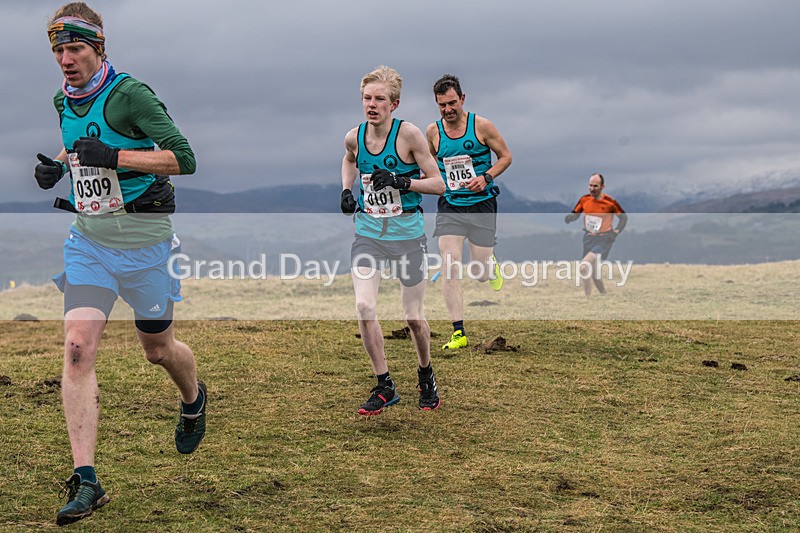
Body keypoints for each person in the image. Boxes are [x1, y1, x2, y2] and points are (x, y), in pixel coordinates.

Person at [34, 3, 204, 525]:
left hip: (146, 241)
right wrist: (56, 165)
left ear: (99, 48)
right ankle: (87, 479)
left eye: (76, 48)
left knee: (157, 349)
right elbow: (77, 146)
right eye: (59, 49)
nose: (66, 59)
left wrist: (116, 156)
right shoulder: (63, 99)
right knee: (78, 348)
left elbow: (185, 158)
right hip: (89, 242)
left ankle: (194, 397)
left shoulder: (131, 95)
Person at [341, 66, 445, 416]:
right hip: (368, 234)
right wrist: (345, 189)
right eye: (367, 98)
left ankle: (425, 373)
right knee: (364, 307)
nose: (372, 105)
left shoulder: (410, 136)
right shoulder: (354, 136)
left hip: (407, 238)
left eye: (380, 99)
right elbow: (349, 160)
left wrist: (403, 182)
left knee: (413, 317)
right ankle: (384, 384)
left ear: (394, 104)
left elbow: (439, 184)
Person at [426, 74, 512, 350]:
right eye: (442, 105)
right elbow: (426, 166)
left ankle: (490, 263)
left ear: (462, 99)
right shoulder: (433, 132)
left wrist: (485, 177)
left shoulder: (482, 126)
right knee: (450, 263)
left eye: (452, 103)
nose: (448, 110)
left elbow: (506, 157)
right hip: (451, 206)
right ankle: (458, 331)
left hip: (482, 205)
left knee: (479, 272)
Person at [564, 173, 627, 296]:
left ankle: (588, 299)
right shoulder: (584, 200)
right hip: (588, 238)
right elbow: (576, 213)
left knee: (583, 267)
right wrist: (570, 217)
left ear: (602, 187)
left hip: (604, 239)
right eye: (590, 186)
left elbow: (623, 218)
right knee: (594, 273)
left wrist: (616, 232)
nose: (592, 189)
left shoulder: (610, 203)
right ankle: (604, 295)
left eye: (595, 186)